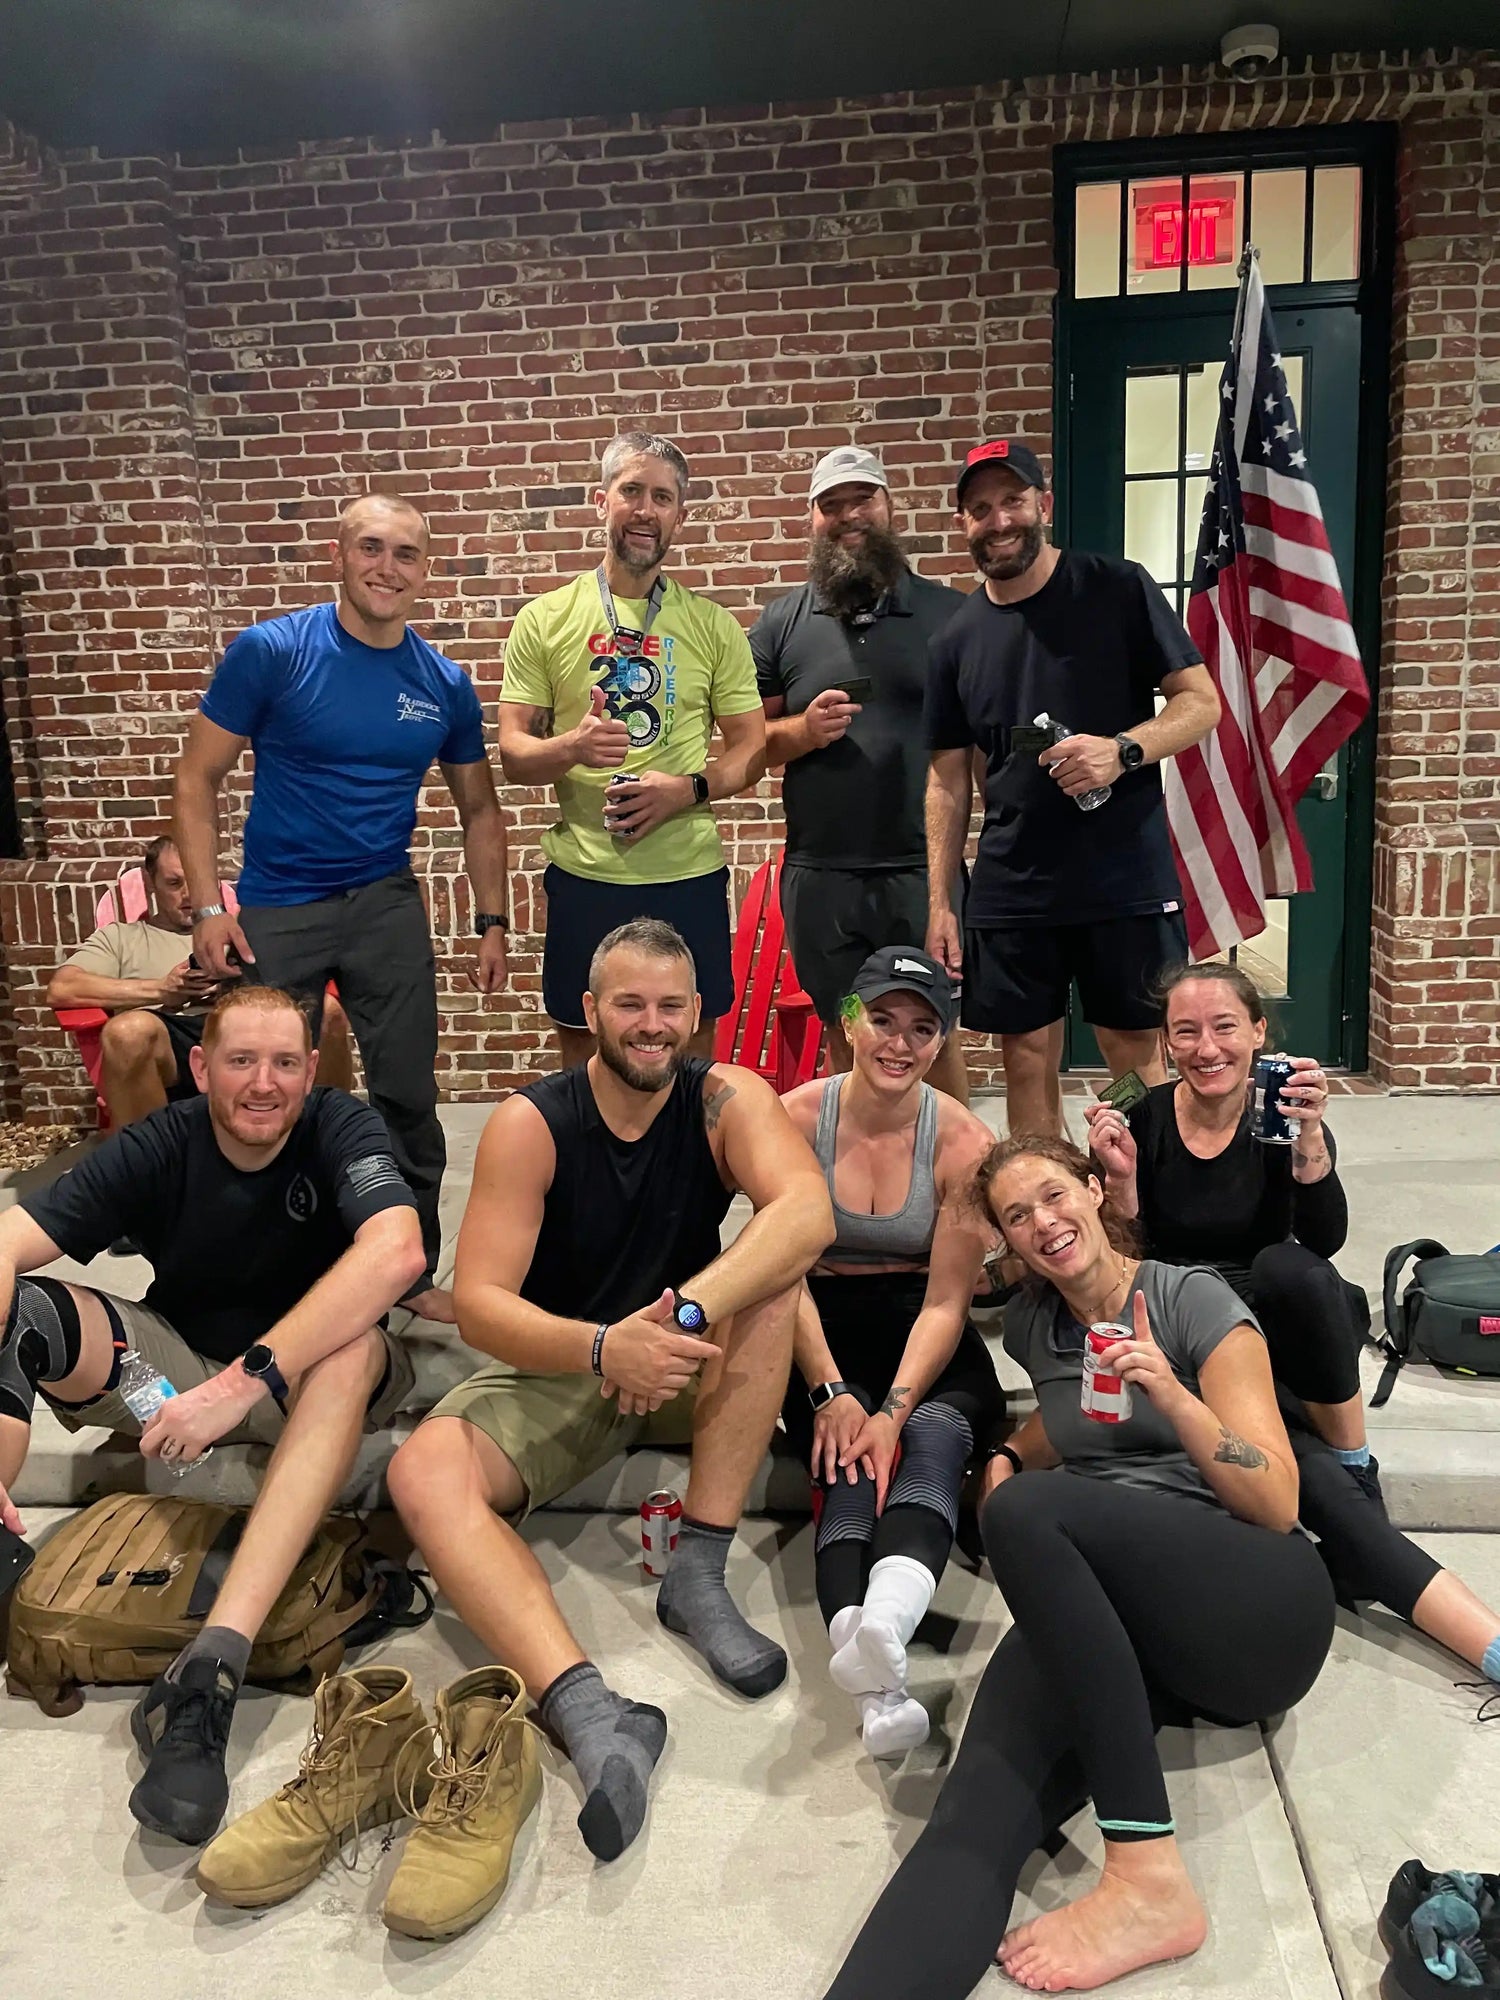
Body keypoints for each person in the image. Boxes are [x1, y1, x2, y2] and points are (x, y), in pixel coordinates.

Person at [825, 1134, 1335, 1999]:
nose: (1043, 1223)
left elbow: (1278, 1500)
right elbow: (1072, 1423)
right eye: (1017, 1217)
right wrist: (1014, 1455)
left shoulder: (1189, 1300)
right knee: (973, 1810)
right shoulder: (1033, 1323)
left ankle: (1146, 1870)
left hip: (1256, 1608)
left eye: (1056, 1196)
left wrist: (1168, 1391)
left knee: (1021, 1513)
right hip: (1126, 1629)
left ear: (1097, 1192)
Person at [387, 919, 834, 1883]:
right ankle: (592, 1711)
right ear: (590, 1014)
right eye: (629, 1005)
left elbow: (807, 1211)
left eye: (671, 1006)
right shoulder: (530, 1122)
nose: (651, 1025)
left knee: (775, 1277)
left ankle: (697, 1574)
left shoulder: (725, 1101)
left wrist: (681, 1316)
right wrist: (602, 1345)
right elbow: (480, 1306)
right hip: (565, 1358)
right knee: (421, 1470)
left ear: (696, 1015)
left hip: (677, 1353)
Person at [0, 984, 426, 1846]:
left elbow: (399, 1249)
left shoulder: (341, 1127)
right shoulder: (162, 1139)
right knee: (26, 1307)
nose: (261, 1083)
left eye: (282, 1063)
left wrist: (241, 1382)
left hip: (303, 1384)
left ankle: (209, 1676)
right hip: (174, 1386)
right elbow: (7, 1239)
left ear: (311, 1069)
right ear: (200, 1068)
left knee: (347, 1345)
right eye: (239, 1061)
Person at [1084, 960, 1500, 1696]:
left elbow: (1326, 1239)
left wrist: (1310, 1139)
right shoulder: (1141, 1114)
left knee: (1294, 1268)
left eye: (1224, 1027)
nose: (1206, 1048)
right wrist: (1118, 1182)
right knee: (1298, 1476)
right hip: (1196, 1323)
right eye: (1186, 1032)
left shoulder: (1282, 1110)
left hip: (1282, 1316)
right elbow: (1126, 1257)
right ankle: (1464, 1623)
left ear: (1258, 1033)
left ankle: (1353, 1461)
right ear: (1167, 1043)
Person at [172, 492, 511, 1316]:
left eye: (405, 554)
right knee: (263, 1095)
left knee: (405, 1096)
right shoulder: (272, 652)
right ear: (338, 555)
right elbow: (196, 776)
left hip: (385, 905)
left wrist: (491, 922)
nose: (386, 568)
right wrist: (210, 908)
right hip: (279, 907)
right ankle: (273, 1272)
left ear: (425, 571)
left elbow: (480, 809)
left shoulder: (444, 683)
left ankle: (408, 1270)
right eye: (371, 547)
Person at [923, 439, 1221, 1137]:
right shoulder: (955, 639)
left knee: (1131, 1051)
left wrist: (1123, 750)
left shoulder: (1117, 588)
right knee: (1025, 1057)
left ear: (1043, 506)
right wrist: (941, 899)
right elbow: (945, 779)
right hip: (1013, 882)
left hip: (1121, 873)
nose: (999, 520)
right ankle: (1042, 1204)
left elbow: (1200, 702)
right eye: (980, 508)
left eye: (1013, 502)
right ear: (964, 523)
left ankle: (1134, 1192)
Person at [779, 945, 1004, 1758]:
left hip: (921, 1321)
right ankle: (881, 1678)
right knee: (841, 1453)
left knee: (933, 1436)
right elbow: (781, 1277)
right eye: (882, 1020)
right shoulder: (797, 1119)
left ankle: (877, 1647)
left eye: (922, 1028)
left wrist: (893, 1407)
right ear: (849, 1022)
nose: (899, 1044)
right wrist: (832, 1392)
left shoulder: (962, 1140)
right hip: (817, 1324)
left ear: (941, 1042)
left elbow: (948, 1299)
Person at [495, 431, 767, 1066]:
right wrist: (571, 746)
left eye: (663, 498)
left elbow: (751, 749)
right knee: (584, 1060)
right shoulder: (545, 618)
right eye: (632, 492)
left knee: (690, 1060)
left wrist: (689, 789)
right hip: (587, 876)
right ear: (602, 501)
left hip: (687, 875)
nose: (646, 510)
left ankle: (684, 1167)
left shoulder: (712, 625)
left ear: (680, 515)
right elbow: (512, 752)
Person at [753, 446, 970, 1100]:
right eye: (831, 505)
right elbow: (747, 745)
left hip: (919, 870)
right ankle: (857, 1190)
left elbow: (973, 752)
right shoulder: (780, 623)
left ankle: (957, 1188)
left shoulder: (952, 616)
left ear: (888, 506)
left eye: (861, 499)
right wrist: (801, 731)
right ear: (811, 519)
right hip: (822, 874)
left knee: (934, 1033)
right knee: (847, 1033)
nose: (848, 516)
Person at [46, 834, 354, 1125]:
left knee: (327, 1010)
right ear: (150, 883)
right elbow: (62, 988)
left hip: (248, 1030)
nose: (189, 894)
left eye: (196, 883)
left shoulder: (240, 928)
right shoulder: (122, 938)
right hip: (172, 1038)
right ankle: (152, 1168)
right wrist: (162, 990)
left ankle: (330, 1140)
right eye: (174, 883)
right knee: (127, 1032)